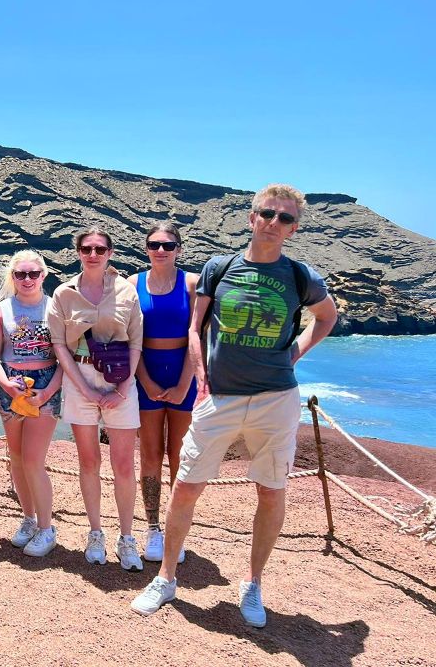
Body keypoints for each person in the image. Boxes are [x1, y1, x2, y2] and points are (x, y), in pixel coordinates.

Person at [132, 184, 337, 628]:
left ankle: (252, 582)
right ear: (251, 218)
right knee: (186, 485)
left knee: (270, 490)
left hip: (275, 398)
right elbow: (194, 327)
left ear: (294, 228)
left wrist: (295, 353)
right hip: (220, 397)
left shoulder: (301, 275)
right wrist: (200, 373)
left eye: (284, 218)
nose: (273, 222)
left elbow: (327, 317)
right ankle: (166, 578)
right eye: (267, 213)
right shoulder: (219, 268)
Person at [47, 228, 144, 570]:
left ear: (110, 252)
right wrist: (85, 388)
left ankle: (127, 537)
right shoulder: (64, 293)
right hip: (80, 380)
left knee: (122, 465)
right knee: (88, 462)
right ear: (78, 252)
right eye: (86, 248)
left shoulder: (125, 292)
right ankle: (95, 532)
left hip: (121, 381)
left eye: (99, 248)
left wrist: (123, 387)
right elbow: (59, 345)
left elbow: (135, 341)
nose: (93, 254)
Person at [127, 222, 198, 563]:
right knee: (151, 454)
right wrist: (147, 380)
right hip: (147, 373)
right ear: (146, 248)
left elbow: (199, 337)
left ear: (178, 249)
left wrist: (185, 382)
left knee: (180, 457)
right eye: (154, 245)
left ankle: (175, 528)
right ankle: (153, 527)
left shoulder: (192, 284)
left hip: (183, 373)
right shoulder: (133, 284)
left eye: (168, 245)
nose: (161, 250)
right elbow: (129, 339)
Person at [0, 250, 62, 557]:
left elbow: (64, 359)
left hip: (45, 386)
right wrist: (5, 383)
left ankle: (47, 529)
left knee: (33, 459)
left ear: (43, 275)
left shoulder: (56, 308)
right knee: (16, 458)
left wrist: (48, 393)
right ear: (13, 277)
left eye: (34, 274)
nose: (28, 279)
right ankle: (28, 519)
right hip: (12, 388)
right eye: (21, 274)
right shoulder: (1, 310)